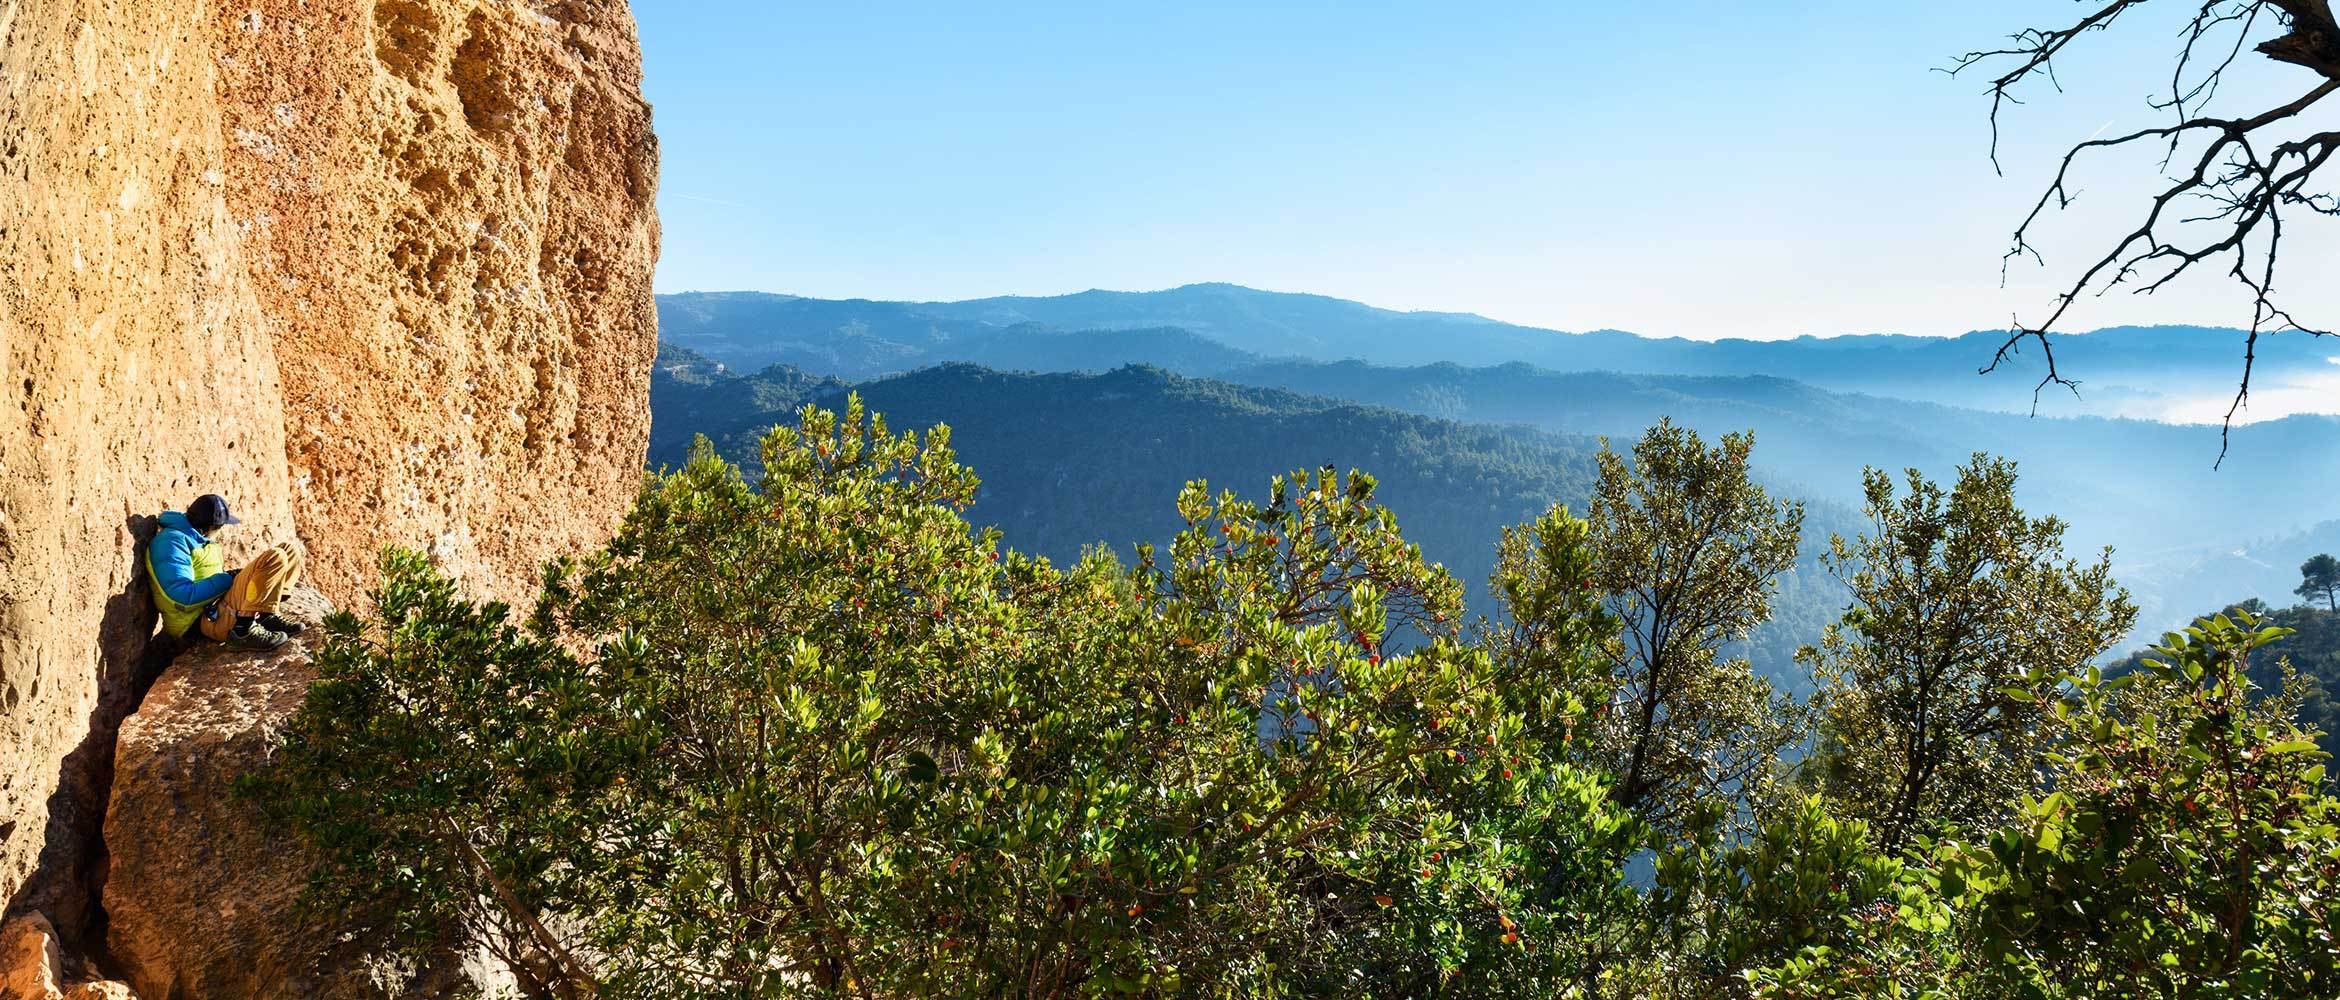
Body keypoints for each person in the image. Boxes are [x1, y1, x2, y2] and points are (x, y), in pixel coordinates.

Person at [148, 493, 305, 650]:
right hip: (198, 621)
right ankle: (242, 632)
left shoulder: (198, 539)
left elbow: (208, 578)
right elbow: (182, 597)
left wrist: (233, 577)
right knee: (274, 557)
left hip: (214, 604)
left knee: (290, 550)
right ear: (211, 527)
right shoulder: (171, 542)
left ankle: (266, 615)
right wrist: (227, 578)